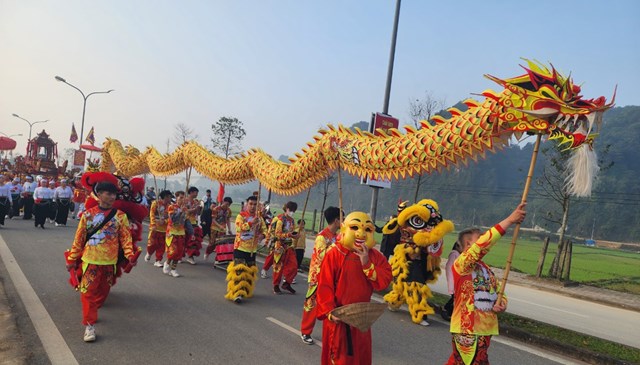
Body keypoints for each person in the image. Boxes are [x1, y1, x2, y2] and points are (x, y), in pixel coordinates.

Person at [446, 203, 526, 365]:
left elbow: (498, 291)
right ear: (469, 245)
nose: (484, 239)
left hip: (484, 330)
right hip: (467, 330)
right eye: (479, 237)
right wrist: (510, 220)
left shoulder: (485, 269)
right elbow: (484, 245)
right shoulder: (462, 265)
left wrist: (501, 303)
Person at [316, 211, 392, 365]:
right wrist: (330, 312)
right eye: (355, 227)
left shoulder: (374, 256)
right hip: (339, 319)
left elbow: (384, 281)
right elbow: (325, 286)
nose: (361, 234)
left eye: (367, 229)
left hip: (361, 319)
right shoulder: (335, 254)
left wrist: (366, 263)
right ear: (344, 229)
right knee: (339, 359)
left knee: (360, 357)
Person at [65, 181, 137, 342]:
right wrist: (72, 258)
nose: (112, 197)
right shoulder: (87, 215)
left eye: (114, 194)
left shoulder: (120, 216)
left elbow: (126, 238)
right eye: (109, 193)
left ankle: (92, 313)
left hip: (110, 263)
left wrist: (130, 255)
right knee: (88, 293)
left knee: (103, 293)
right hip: (91, 260)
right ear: (99, 195)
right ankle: (89, 325)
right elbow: (79, 239)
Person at [300, 207, 340, 345]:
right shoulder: (322, 237)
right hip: (318, 278)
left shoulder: (339, 237)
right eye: (342, 218)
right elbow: (321, 256)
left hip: (333, 278)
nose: (344, 222)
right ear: (336, 220)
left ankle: (332, 334)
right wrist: (335, 248)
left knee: (332, 306)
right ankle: (305, 332)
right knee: (311, 306)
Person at [224, 195, 266, 304]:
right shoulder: (241, 216)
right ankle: (237, 294)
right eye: (250, 204)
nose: (252, 206)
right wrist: (251, 223)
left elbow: (265, 231)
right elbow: (239, 228)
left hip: (252, 249)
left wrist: (262, 236)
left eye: (255, 205)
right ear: (247, 204)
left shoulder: (260, 218)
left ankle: (245, 290)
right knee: (239, 272)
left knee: (250, 273)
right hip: (240, 248)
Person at [271, 201, 299, 294]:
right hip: (280, 245)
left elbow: (292, 231)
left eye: (294, 210)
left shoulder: (292, 220)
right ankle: (276, 285)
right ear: (286, 209)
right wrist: (288, 234)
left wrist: (295, 235)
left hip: (289, 246)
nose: (292, 212)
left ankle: (287, 283)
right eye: (291, 210)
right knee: (278, 266)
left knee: (294, 266)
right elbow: (277, 234)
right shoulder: (280, 219)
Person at [163, 191, 187, 277]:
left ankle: (174, 269)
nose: (182, 199)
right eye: (180, 197)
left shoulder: (185, 208)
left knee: (179, 252)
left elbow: (184, 221)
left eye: (183, 197)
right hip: (172, 232)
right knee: (173, 251)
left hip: (181, 232)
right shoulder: (171, 207)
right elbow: (173, 219)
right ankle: (167, 262)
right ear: (176, 198)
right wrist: (180, 212)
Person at [145, 190, 172, 267]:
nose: (170, 199)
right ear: (165, 197)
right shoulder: (155, 203)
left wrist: (165, 221)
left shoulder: (170, 206)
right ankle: (149, 253)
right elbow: (151, 214)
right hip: (155, 228)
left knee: (162, 245)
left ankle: (158, 260)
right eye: (169, 197)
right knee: (152, 244)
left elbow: (170, 217)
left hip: (164, 229)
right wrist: (153, 224)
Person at [204, 196, 232, 261]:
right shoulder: (216, 209)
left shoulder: (229, 210)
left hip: (222, 229)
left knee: (221, 243)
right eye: (226, 204)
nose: (227, 206)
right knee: (212, 243)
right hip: (214, 228)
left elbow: (228, 219)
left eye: (229, 205)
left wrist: (229, 229)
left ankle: (218, 258)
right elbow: (213, 219)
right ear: (223, 202)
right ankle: (207, 252)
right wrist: (219, 226)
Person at [442, 240, 462, 321]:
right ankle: (446, 310)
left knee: (456, 297)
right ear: (457, 246)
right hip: (454, 279)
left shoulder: (459, 254)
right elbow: (450, 267)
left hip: (458, 279)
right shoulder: (454, 254)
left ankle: (447, 310)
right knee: (455, 297)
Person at [183, 186, 202, 265]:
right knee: (182, 240)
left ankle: (190, 256)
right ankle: (179, 255)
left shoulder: (196, 201)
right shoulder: (184, 200)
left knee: (193, 241)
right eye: (196, 192)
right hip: (184, 222)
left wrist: (199, 209)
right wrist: (193, 209)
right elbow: (185, 211)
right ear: (191, 192)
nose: (197, 194)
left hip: (193, 222)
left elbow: (198, 213)